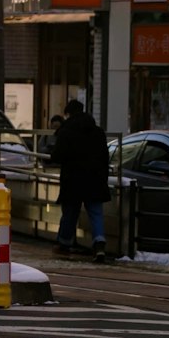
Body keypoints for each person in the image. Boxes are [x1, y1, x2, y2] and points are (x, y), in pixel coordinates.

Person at [51, 90, 111, 259]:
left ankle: (64, 242)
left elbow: (57, 156)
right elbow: (105, 156)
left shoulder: (66, 131)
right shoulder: (97, 131)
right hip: (95, 178)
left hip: (73, 178)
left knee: (70, 211)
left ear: (68, 114)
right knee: (96, 212)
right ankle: (99, 243)